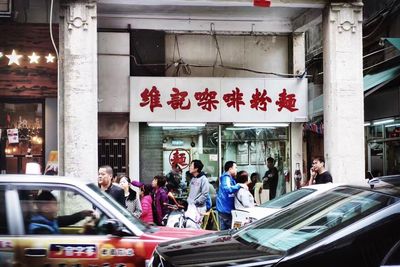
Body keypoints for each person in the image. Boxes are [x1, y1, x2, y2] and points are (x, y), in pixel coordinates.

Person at [28, 190, 93, 234]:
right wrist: (84, 231)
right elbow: (60, 247)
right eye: (55, 205)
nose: (57, 209)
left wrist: (84, 213)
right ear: (46, 208)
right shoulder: (40, 229)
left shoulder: (50, 221)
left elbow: (69, 219)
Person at [216, 161, 243, 230]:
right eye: (235, 168)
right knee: (225, 234)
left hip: (228, 211)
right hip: (225, 211)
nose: (236, 169)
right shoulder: (226, 177)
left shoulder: (231, 179)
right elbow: (227, 189)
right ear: (230, 169)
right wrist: (239, 185)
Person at [186, 160, 210, 227]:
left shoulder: (204, 179)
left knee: (196, 227)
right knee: (189, 226)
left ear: (196, 169)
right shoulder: (193, 178)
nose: (189, 167)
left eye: (191, 166)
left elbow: (205, 194)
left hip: (199, 207)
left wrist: (195, 202)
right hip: (191, 206)